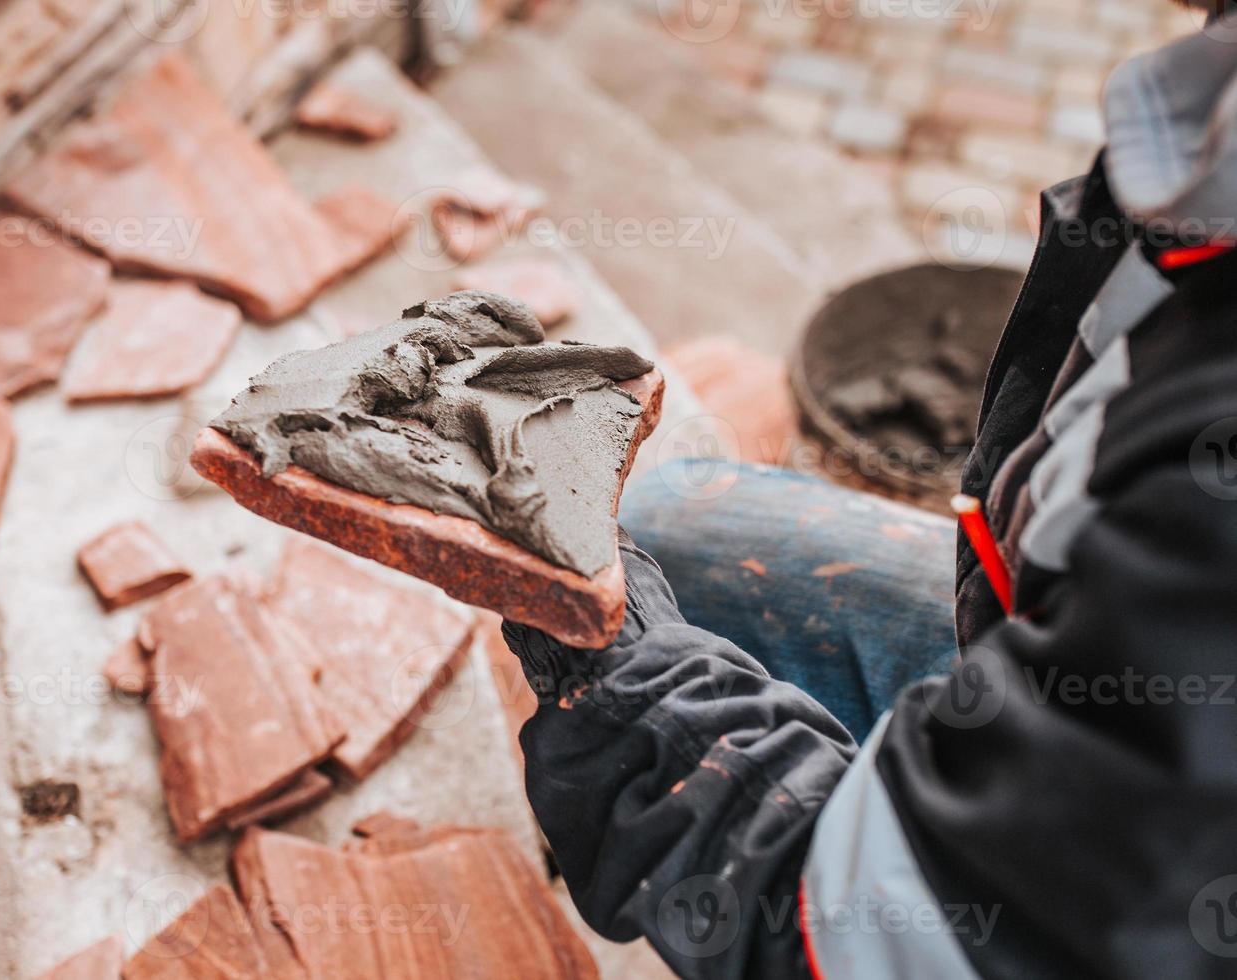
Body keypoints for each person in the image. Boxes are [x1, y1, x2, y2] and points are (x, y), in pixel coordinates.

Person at [500, 5, 1237, 978]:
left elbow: (857, 941)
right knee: (671, 529)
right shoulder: (1205, 119)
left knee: (635, 625)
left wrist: (606, 656)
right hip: (1103, 676)